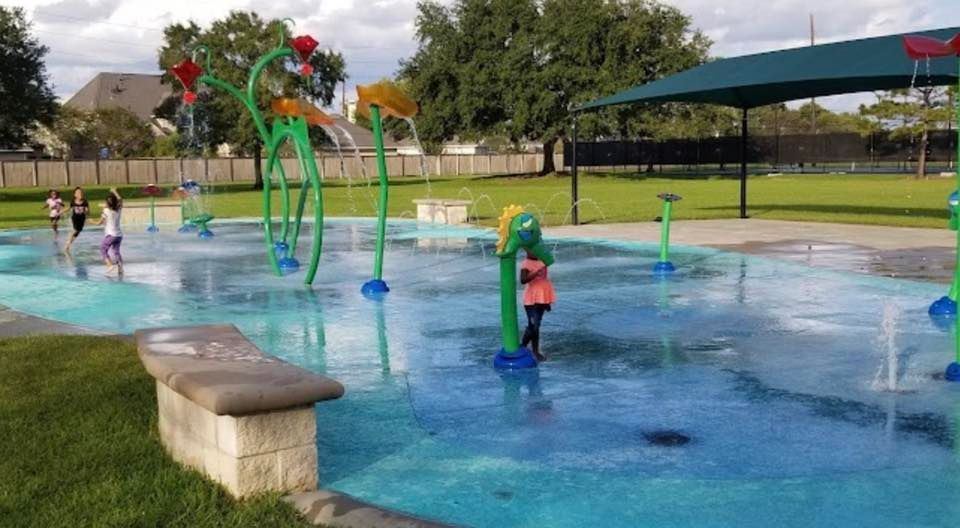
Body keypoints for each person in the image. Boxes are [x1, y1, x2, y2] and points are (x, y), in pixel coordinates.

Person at [519, 250, 556, 362]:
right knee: (534, 325)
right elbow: (523, 280)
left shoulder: (542, 260)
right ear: (527, 251)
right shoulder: (526, 264)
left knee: (536, 325)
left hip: (543, 297)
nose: (535, 252)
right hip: (532, 299)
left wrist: (547, 302)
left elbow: (550, 261)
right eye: (532, 250)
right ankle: (526, 347)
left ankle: (531, 349)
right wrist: (534, 273)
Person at [93, 188, 124, 275]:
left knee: (103, 249)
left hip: (111, 235)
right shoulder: (119, 209)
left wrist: (91, 221)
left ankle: (110, 265)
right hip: (119, 235)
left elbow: (99, 223)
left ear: (107, 204)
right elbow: (120, 200)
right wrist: (115, 192)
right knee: (116, 251)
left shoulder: (106, 211)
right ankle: (120, 269)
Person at [63, 187, 90, 253]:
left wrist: (87, 211)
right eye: (78, 193)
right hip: (75, 218)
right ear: (75, 195)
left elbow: (88, 211)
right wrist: (61, 211)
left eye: (81, 192)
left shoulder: (85, 202)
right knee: (75, 230)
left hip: (82, 219)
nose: (80, 194)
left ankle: (68, 244)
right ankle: (67, 243)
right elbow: (69, 208)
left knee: (78, 232)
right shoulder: (73, 201)